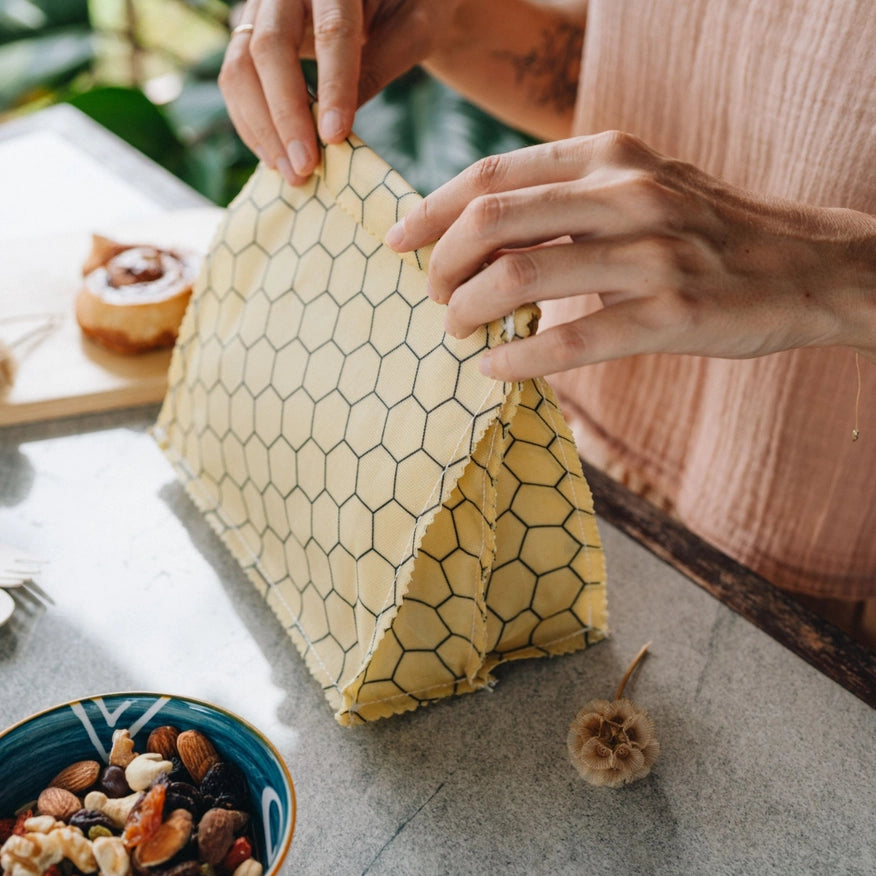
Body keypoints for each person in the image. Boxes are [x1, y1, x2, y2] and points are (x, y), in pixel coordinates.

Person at [219, 0, 876, 646]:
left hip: (823, 569)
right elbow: (618, 73)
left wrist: (836, 271)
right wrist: (451, 18)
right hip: (578, 450)